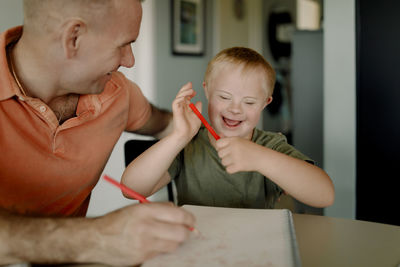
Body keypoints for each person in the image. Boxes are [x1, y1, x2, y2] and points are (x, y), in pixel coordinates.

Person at [0, 0, 195, 266]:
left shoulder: (118, 93)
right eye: (124, 44)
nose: (130, 60)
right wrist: (97, 237)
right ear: (74, 38)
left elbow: (166, 125)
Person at [121, 47, 335, 209]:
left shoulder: (270, 146)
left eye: (249, 102)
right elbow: (130, 190)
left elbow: (325, 196)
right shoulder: (189, 145)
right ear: (207, 91)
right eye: (224, 97)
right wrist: (179, 136)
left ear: (265, 103)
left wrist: (261, 159)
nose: (235, 109)